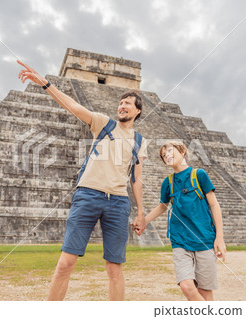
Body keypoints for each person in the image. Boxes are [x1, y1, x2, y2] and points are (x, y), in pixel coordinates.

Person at [17, 61, 148, 301]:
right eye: (120, 103)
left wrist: (141, 212)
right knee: (66, 262)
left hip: (118, 203)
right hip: (88, 195)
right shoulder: (103, 123)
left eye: (127, 103)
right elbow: (75, 107)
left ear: (137, 110)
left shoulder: (140, 141)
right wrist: (46, 84)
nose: (122, 106)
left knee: (114, 268)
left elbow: (136, 179)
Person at [137, 140, 226, 301]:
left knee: (205, 292)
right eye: (164, 156)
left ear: (182, 152)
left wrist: (219, 237)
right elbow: (162, 206)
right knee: (186, 286)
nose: (167, 156)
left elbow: (214, 205)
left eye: (170, 151)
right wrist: (144, 221)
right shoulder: (168, 182)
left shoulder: (199, 175)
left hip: (204, 239)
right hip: (180, 240)